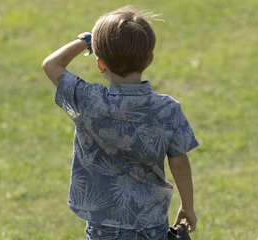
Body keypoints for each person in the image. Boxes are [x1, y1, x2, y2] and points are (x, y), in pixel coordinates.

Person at [42, 6, 199, 240]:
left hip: (102, 226)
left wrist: (86, 41)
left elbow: (51, 65)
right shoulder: (167, 110)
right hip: (151, 224)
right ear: (149, 58)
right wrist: (187, 206)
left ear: (100, 64)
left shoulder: (88, 101)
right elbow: (180, 162)